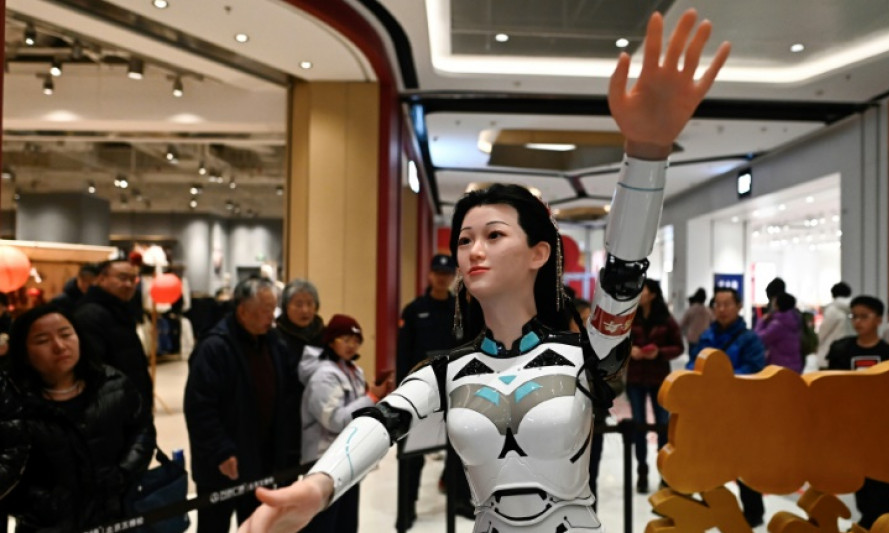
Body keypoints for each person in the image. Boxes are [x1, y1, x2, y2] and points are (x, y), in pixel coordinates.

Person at [238, 8, 730, 533]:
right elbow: (383, 422)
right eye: (465, 239)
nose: (474, 251)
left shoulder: (587, 356)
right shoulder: (445, 372)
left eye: (494, 235)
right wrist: (319, 485)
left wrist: (648, 154)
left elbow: (624, 274)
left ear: (539, 253)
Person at [0, 304, 155, 532]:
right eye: (42, 340)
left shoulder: (111, 383)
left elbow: (141, 429)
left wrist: (124, 472)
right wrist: (40, 503)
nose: (59, 346)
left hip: (116, 516)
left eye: (66, 334)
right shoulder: (12, 402)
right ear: (23, 352)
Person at [184, 277, 301, 532]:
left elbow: (288, 397)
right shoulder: (214, 347)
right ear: (242, 311)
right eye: (264, 311)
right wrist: (221, 451)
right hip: (223, 465)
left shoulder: (274, 343)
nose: (271, 318)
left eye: (273, 310)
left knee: (256, 526)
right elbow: (200, 407)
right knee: (214, 527)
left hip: (261, 462)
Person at [298, 314, 394, 532]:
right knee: (323, 525)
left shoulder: (353, 371)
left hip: (348, 458)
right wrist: (370, 397)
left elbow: (359, 411)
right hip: (323, 462)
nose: (352, 345)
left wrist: (376, 397)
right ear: (331, 341)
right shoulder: (323, 375)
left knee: (346, 522)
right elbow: (336, 420)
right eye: (345, 339)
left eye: (356, 340)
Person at [688, 287, 766, 527]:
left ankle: (753, 513)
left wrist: (723, 379)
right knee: (709, 460)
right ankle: (715, 507)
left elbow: (754, 369)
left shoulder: (749, 338)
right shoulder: (707, 336)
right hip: (709, 409)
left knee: (744, 462)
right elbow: (693, 363)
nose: (721, 309)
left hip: (739, 410)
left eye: (727, 304)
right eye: (717, 305)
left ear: (739, 306)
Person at [825, 295, 889, 528]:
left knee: (883, 479)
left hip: (883, 428)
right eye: (854, 316)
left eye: (864, 316)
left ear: (879, 319)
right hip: (853, 425)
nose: (858, 322)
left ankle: (876, 522)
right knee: (860, 480)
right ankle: (870, 520)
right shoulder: (842, 349)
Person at [395, 253, 461, 525]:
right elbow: (403, 353)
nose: (442, 278)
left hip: (453, 389)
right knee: (412, 454)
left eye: (447, 274)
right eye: (438, 273)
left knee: (458, 449)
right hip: (420, 391)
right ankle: (406, 507)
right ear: (430, 275)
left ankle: (458, 500)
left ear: (453, 277)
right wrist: (402, 392)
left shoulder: (460, 309)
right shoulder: (414, 310)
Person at [73, 259, 154, 416]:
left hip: (130, 403)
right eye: (122, 278)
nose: (129, 284)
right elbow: (93, 369)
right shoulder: (90, 314)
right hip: (113, 409)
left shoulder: (121, 311)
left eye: (133, 279)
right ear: (101, 279)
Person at [626, 278, 683, 493]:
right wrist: (630, 350)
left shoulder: (666, 319)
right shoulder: (630, 317)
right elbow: (619, 342)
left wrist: (659, 352)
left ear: (653, 294)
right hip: (635, 379)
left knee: (662, 425)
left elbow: (678, 346)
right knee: (639, 425)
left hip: (659, 379)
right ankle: (642, 470)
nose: (639, 293)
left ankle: (664, 471)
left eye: (644, 290)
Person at [275, 279, 325, 370]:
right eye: (298, 305)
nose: (305, 310)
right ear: (286, 307)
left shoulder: (325, 334)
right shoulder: (276, 337)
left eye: (309, 304)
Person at [754, 292, 803, 373]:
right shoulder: (795, 319)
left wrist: (761, 322)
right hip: (794, 365)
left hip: (780, 368)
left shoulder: (778, 324)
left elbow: (759, 338)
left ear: (778, 306)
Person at [816, 282, 854, 368]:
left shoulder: (833, 310)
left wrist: (816, 344)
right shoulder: (854, 309)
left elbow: (823, 331)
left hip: (830, 353)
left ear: (833, 294)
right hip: (848, 351)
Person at [680, 288, 711, 354]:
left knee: (693, 357)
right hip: (705, 338)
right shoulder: (708, 310)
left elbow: (682, 324)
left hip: (693, 339)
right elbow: (714, 322)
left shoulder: (691, 309)